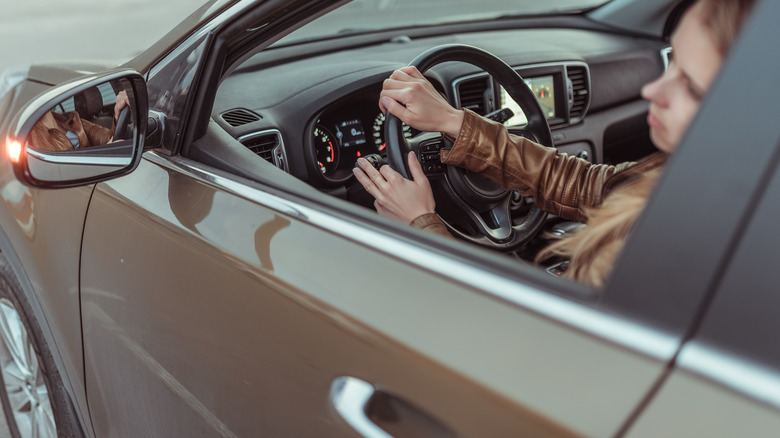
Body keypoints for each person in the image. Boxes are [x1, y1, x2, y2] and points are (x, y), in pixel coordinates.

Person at [353, 0, 757, 287]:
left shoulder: (678, 245)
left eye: (691, 86)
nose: (653, 89)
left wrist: (420, 226)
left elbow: (516, 343)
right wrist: (452, 121)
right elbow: (584, 185)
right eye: (672, 63)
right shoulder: (695, 182)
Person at [28, 89, 130, 151]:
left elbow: (107, 138)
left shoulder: (72, 119)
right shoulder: (31, 135)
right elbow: (55, 170)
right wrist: (102, 155)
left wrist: (118, 115)